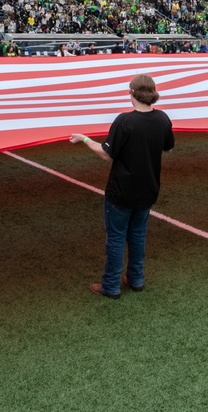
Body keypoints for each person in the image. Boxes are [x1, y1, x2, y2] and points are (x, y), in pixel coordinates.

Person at [69, 75, 175, 299]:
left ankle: (111, 286)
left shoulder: (125, 121)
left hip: (122, 191)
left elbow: (107, 155)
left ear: (134, 93)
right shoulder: (163, 119)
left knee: (116, 238)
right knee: (137, 235)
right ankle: (136, 279)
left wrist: (85, 139)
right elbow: (168, 148)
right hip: (148, 189)